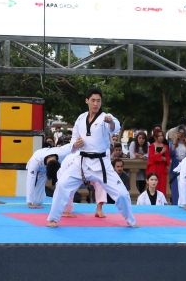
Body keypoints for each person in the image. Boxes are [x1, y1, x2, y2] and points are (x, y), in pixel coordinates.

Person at [46, 87, 135, 227]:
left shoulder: (106, 117)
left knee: (122, 194)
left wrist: (110, 122)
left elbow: (115, 127)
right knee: (62, 185)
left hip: (101, 164)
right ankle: (53, 218)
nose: (96, 104)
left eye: (98, 101)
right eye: (93, 100)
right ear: (87, 100)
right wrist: (76, 144)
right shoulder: (81, 118)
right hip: (81, 162)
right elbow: (73, 142)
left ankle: (131, 220)